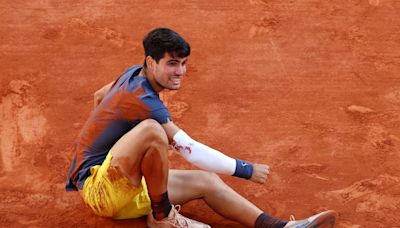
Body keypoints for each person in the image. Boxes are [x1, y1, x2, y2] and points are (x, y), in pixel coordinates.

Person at [65, 27, 337, 228]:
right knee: (151, 130)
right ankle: (162, 218)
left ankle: (280, 227)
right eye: (172, 64)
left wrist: (119, 155)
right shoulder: (144, 100)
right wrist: (245, 169)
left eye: (183, 64)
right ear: (151, 62)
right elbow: (188, 148)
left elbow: (99, 96)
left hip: (122, 187)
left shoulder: (132, 73)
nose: (180, 72)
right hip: (100, 192)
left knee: (207, 181)